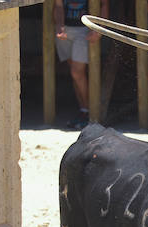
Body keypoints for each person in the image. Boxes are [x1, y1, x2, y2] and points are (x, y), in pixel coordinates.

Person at [54, 0, 109, 130]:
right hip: (66, 31)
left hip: (84, 31)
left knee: (77, 72)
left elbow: (104, 4)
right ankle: (84, 110)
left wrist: (99, 29)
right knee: (76, 74)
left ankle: (89, 112)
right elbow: (58, 5)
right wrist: (59, 26)